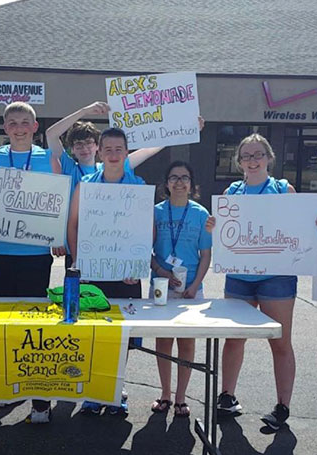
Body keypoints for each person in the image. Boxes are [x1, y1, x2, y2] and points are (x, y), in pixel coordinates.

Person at [0, 102, 61, 424]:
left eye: (25, 122)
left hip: (35, 257)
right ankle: (1, 393)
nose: (19, 128)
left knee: (35, 328)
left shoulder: (50, 160)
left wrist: (59, 235)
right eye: (13, 123)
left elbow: (58, 202)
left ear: (35, 127)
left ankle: (40, 401)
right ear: (6, 128)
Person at [206, 133, 297, 431]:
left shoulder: (284, 190)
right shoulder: (232, 191)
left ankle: (282, 405)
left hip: (277, 277)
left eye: (258, 154)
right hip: (240, 276)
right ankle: (227, 397)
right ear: (239, 162)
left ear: (269, 158)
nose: (252, 160)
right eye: (246, 156)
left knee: (280, 342)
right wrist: (213, 226)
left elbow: (299, 229)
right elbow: (223, 232)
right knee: (234, 339)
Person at [67, 127, 146, 415]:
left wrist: (137, 266)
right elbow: (73, 225)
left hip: (126, 274)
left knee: (121, 334)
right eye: (108, 149)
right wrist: (79, 261)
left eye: (119, 149)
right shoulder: (85, 185)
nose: (113, 154)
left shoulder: (138, 186)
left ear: (126, 153)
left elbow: (145, 231)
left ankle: (115, 387)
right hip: (92, 271)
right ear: (99, 152)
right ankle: (94, 389)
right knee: (93, 331)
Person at [46, 101, 172, 264]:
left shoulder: (114, 165)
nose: (84, 148)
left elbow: (148, 150)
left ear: (97, 147)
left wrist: (184, 130)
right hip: (80, 248)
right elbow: (51, 134)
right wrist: (84, 111)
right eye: (78, 144)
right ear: (72, 149)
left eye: (88, 143)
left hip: (117, 246)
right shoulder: (70, 168)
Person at [150, 161, 212, 417]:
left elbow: (205, 254)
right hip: (161, 286)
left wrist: (195, 285)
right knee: (163, 342)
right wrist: (161, 271)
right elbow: (145, 249)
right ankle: (165, 393)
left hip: (191, 290)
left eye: (184, 178)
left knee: (186, 343)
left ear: (191, 184)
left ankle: (180, 397)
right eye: (173, 177)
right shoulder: (155, 212)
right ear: (166, 184)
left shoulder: (200, 214)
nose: (179, 182)